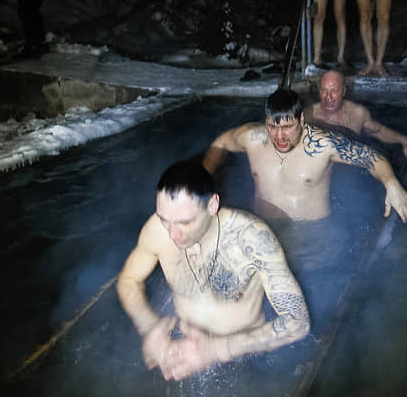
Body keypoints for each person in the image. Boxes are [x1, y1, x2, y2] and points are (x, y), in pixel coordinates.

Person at [116, 160, 310, 382]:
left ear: (212, 205)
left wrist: (218, 349)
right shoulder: (156, 230)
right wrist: (149, 326)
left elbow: (298, 322)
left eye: (185, 222)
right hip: (182, 345)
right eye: (165, 220)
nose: (172, 234)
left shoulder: (251, 238)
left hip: (244, 353)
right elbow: (129, 280)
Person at [202, 88, 407, 223]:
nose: (279, 136)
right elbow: (221, 143)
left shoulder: (323, 144)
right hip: (261, 227)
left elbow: (370, 157)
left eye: (287, 127)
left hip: (311, 237)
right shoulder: (253, 137)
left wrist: (392, 184)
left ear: (301, 120)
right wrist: (201, 181)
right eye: (272, 127)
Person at [305, 69, 407, 157]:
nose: (328, 97)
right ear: (319, 91)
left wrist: (405, 141)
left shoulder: (357, 113)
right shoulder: (308, 115)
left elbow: (378, 131)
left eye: (334, 91)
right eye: (324, 90)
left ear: (344, 91)